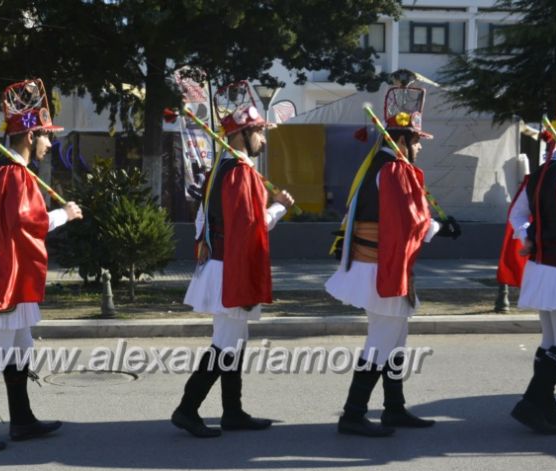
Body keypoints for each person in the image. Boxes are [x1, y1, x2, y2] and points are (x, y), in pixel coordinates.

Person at [325, 79, 461, 437]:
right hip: (380, 268)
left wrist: (431, 225)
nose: (419, 147)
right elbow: (408, 222)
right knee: (383, 341)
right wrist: (439, 229)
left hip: (377, 264)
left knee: (395, 340)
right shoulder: (393, 169)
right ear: (400, 141)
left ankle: (394, 409)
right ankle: (353, 415)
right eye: (416, 140)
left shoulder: (382, 166)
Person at [0, 79, 83, 451]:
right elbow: (28, 224)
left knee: (21, 347)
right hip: (2, 277)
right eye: (45, 136)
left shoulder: (9, 172)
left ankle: (22, 420)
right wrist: (64, 215)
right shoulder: (14, 174)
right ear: (29, 136)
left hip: (9, 272)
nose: (49, 143)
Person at [171, 101, 295, 438]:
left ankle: (233, 411)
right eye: (258, 132)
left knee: (233, 342)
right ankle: (187, 408)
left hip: (221, 264)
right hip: (230, 269)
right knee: (225, 344)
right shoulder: (240, 173)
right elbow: (252, 229)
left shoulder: (221, 170)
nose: (263, 140)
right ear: (242, 134)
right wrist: (279, 208)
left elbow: (203, 221)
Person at [507, 89, 556, 435]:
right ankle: (531, 403)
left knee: (550, 341)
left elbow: (517, 214)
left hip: (542, 269)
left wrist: (526, 236)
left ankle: (544, 404)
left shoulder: (541, 173)